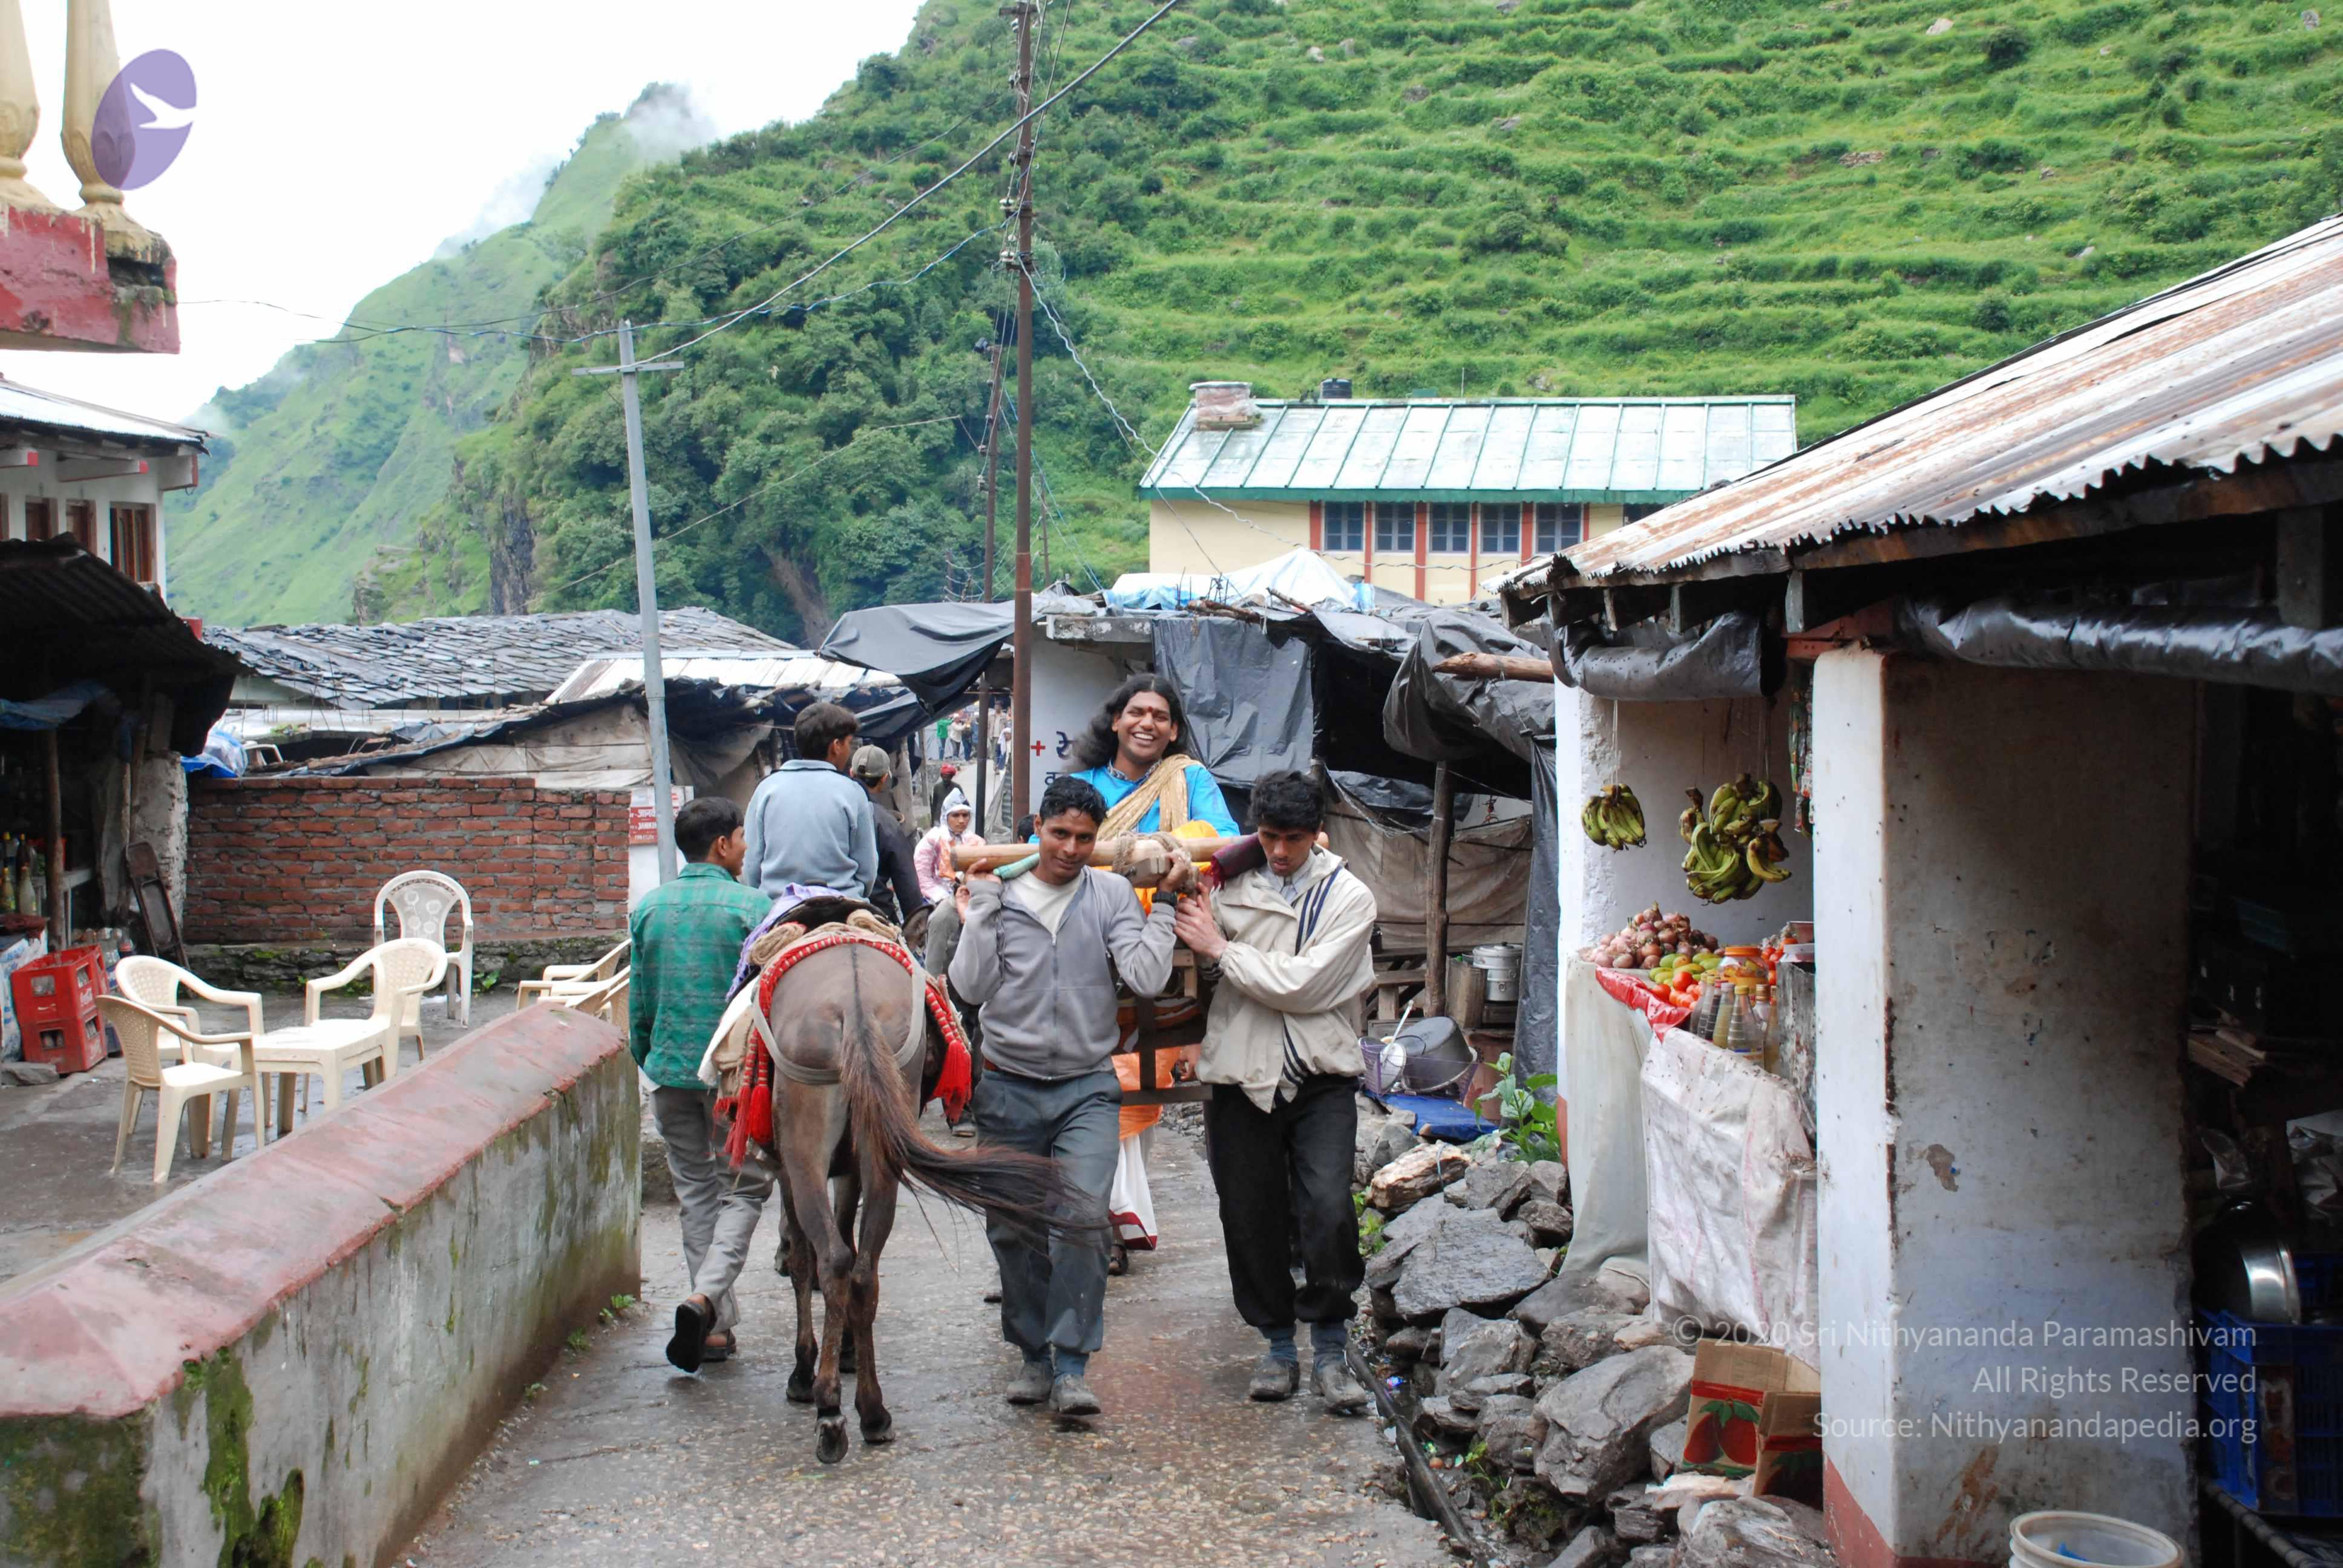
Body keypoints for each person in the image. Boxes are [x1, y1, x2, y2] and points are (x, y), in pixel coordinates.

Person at [949, 776, 1190, 1417]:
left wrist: (1164, 904)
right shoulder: (1001, 894)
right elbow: (969, 989)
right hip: (1007, 1084)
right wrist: (982, 907)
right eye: (1059, 834)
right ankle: (1032, 1356)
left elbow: (1145, 976)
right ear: (1037, 829)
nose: (1071, 849)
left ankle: (1072, 1366)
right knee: (1014, 1228)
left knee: (1083, 1222)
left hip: (1086, 1087)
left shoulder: (1109, 893)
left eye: (1085, 838)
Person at [1172, 769, 1377, 1413]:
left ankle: (1331, 1347)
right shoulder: (1225, 882)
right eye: (1268, 837)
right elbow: (1186, 943)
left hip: (1321, 1075)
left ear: (1318, 833)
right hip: (1238, 1070)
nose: (1280, 851)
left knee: (1329, 1207)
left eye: (1293, 838)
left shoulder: (1348, 897)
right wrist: (1200, 930)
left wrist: (1221, 949)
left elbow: (1305, 986)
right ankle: (1278, 1346)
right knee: (1248, 1212)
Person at [631, 795, 776, 1373]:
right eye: (741, 838)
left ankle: (713, 1331)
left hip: (669, 1072)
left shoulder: (650, 907)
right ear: (722, 845)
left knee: (695, 1194)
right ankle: (705, 1299)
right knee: (744, 1190)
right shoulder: (753, 907)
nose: (746, 848)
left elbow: (640, 1005)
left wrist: (655, 1059)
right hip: (731, 1080)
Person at [1067, 675, 1239, 838]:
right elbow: (1055, 843)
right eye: (1137, 713)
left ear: (1173, 730)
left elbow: (1224, 837)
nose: (1147, 724)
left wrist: (1168, 846)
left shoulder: (1191, 779)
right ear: (1117, 721)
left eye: (1160, 717)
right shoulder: (1080, 785)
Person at [743, 702, 876, 900]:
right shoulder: (853, 792)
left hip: (778, 906)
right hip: (842, 903)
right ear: (836, 746)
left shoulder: (766, 789)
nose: (849, 750)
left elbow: (750, 866)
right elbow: (868, 872)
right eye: (849, 743)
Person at [850, 743, 926, 926]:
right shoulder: (886, 823)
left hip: (829, 903)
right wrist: (916, 927)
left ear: (851, 773)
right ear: (884, 778)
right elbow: (908, 887)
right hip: (876, 915)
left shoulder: (833, 810)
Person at [916, 789, 982, 906]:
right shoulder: (932, 840)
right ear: (945, 816)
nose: (961, 821)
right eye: (955, 815)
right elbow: (922, 877)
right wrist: (943, 899)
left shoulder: (976, 841)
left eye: (965, 815)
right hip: (936, 899)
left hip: (969, 897)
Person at [930, 761, 962, 827]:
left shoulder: (957, 788)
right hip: (939, 818)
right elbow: (934, 805)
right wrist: (933, 820)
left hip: (952, 818)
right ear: (941, 776)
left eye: (948, 777)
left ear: (951, 777)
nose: (946, 779)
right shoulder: (937, 787)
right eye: (944, 777)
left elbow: (963, 804)